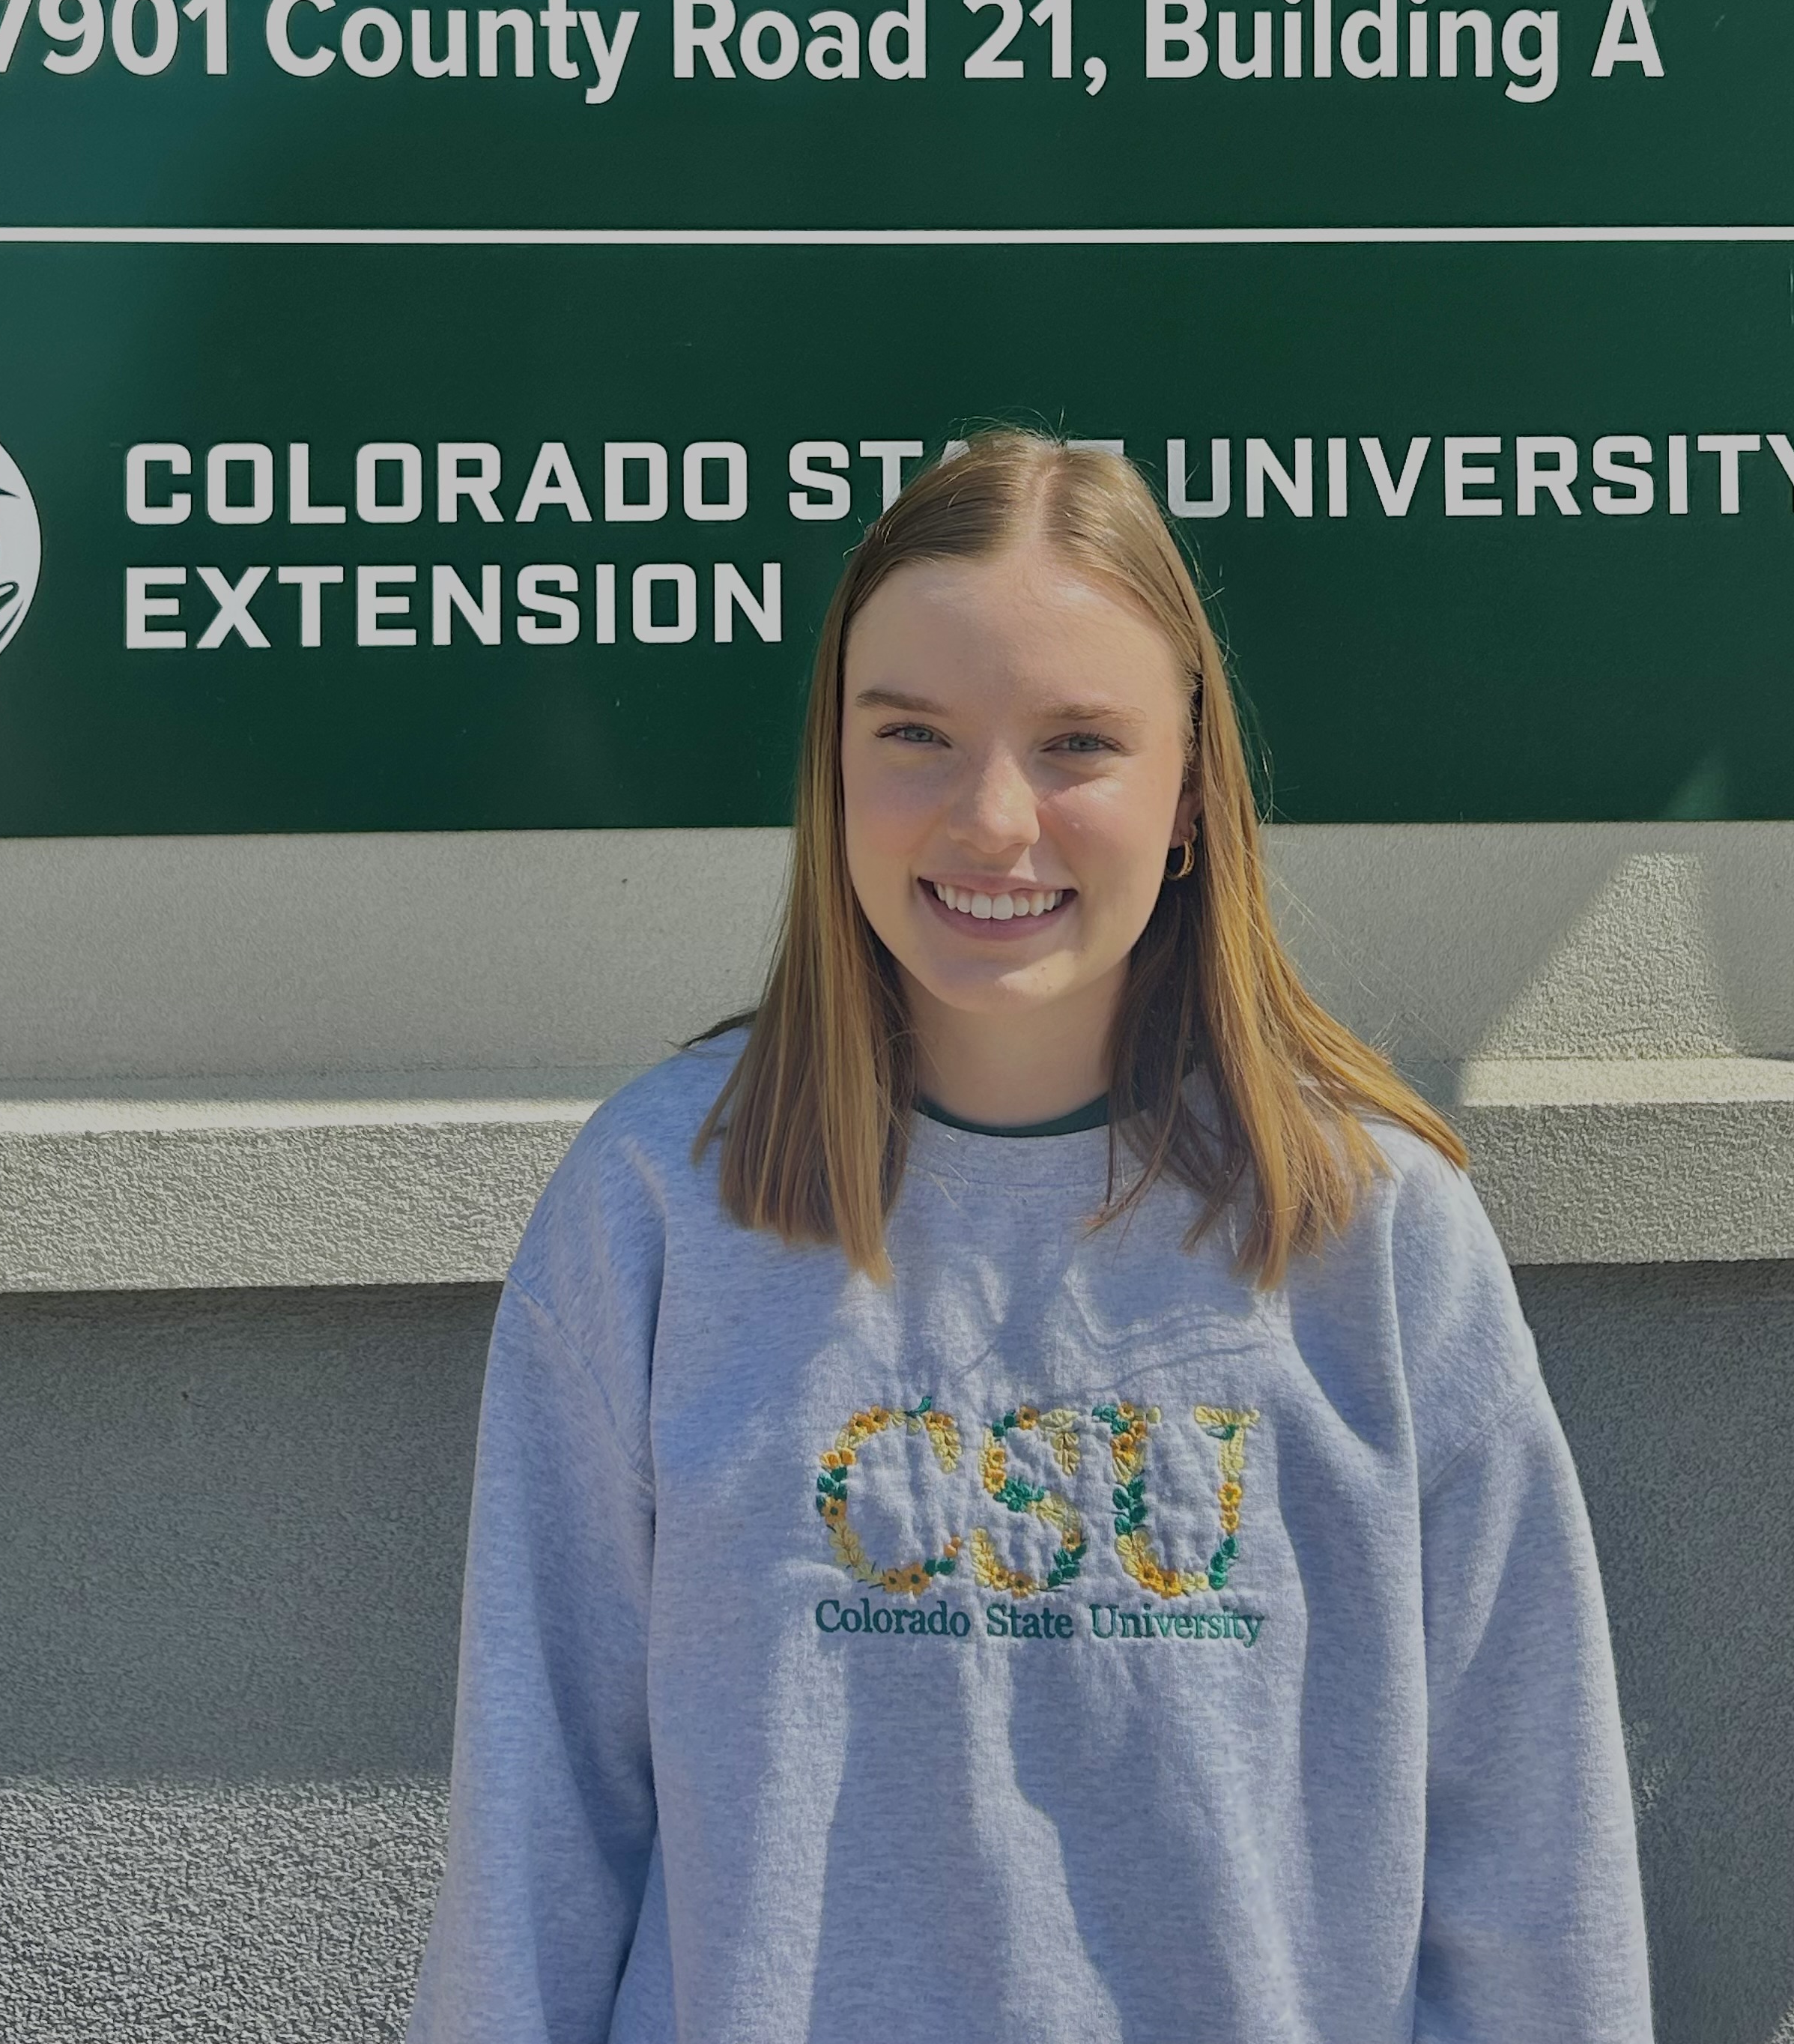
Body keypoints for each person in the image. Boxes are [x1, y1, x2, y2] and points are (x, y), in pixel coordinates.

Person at [407, 429, 1652, 2044]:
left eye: (1077, 745)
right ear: (833, 774)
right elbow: (536, 1841)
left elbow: (1531, 1855)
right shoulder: (660, 1202)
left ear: (1189, 795)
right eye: (914, 735)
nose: (994, 820)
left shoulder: (1373, 1232)